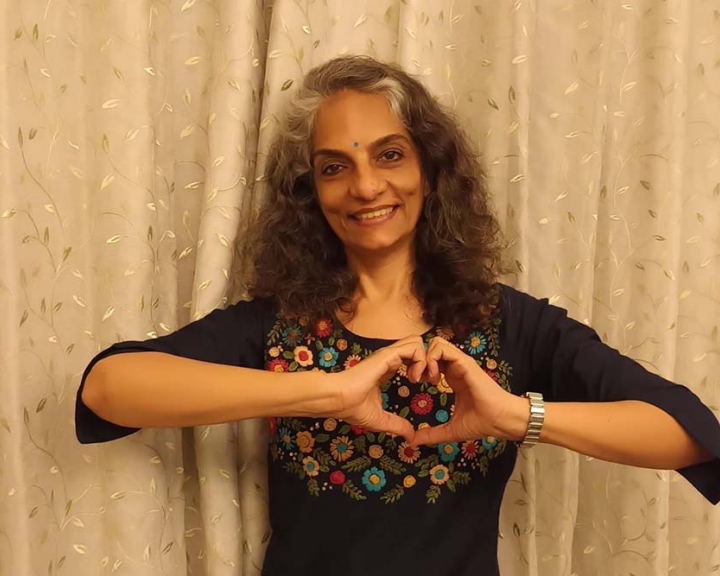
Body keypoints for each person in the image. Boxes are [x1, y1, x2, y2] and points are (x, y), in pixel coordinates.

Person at [76, 55, 720, 576]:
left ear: (431, 171)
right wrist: (324, 390)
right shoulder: (279, 326)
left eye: (389, 155)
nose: (365, 187)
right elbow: (108, 388)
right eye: (335, 167)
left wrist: (511, 416)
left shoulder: (507, 323)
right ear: (311, 195)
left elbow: (689, 432)